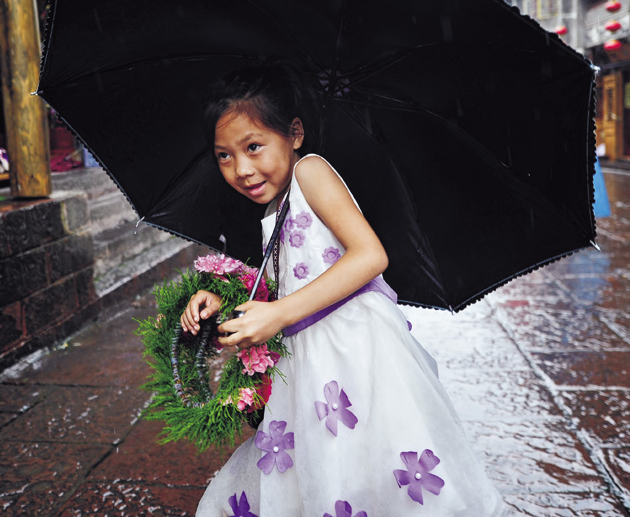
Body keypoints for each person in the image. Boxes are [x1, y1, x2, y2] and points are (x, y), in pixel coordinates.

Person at [181, 64, 506, 517]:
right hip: (308, 359)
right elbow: (281, 286)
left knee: (369, 465)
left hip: (353, 349)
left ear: (295, 133)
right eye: (224, 156)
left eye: (253, 147)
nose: (242, 169)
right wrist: (226, 302)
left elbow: (370, 255)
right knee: (324, 468)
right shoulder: (277, 204)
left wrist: (279, 314)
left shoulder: (311, 172)